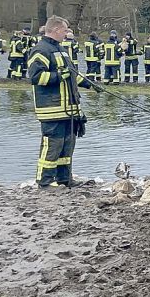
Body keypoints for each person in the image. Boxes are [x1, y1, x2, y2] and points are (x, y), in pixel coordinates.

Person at [27, 16, 100, 187]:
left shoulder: (60, 49)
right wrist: (59, 76)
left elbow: (71, 75)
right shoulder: (41, 50)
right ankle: (44, 182)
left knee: (67, 145)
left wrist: (88, 84)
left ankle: (64, 179)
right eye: (65, 30)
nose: (67, 33)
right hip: (52, 108)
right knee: (52, 145)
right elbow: (36, 77)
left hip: (69, 108)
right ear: (56, 30)